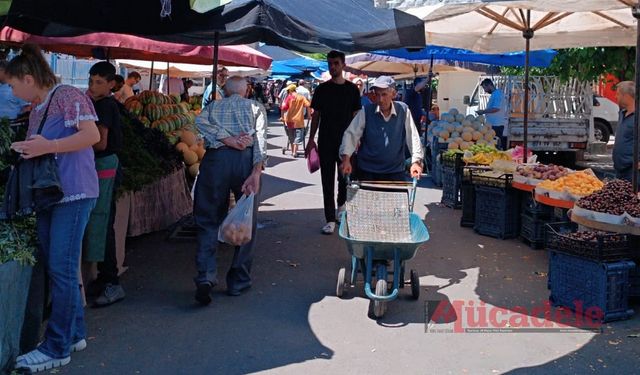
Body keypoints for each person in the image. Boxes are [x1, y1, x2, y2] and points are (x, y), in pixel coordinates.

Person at [7, 44, 100, 373]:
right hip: (52, 196)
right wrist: (26, 148)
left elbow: (91, 135)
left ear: (28, 78)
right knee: (59, 267)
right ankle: (74, 332)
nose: (11, 92)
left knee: (61, 269)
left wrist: (51, 145)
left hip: (74, 194)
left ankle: (56, 347)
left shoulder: (67, 95)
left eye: (12, 85)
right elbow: (44, 147)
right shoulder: (38, 108)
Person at [193, 76, 267, 305]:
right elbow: (261, 141)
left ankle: (206, 276)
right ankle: (238, 280)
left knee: (208, 218)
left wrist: (225, 139)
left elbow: (199, 122)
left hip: (215, 161)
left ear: (225, 91)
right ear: (245, 91)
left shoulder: (214, 106)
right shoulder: (255, 107)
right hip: (245, 162)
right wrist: (256, 173)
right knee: (246, 221)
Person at [306, 50, 361, 235]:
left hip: (347, 142)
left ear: (343, 64)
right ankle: (329, 218)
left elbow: (356, 117)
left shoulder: (352, 90)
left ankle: (341, 209)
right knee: (327, 180)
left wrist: (358, 139)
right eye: (330, 63)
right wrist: (311, 139)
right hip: (326, 141)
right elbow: (316, 116)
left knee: (344, 178)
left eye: (336, 63)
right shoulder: (322, 89)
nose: (333, 67)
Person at [84, 61, 125, 307]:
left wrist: (73, 142)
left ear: (111, 84)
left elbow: (99, 142)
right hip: (100, 168)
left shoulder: (106, 105)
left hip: (105, 168)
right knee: (100, 222)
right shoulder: (96, 103)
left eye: (99, 82)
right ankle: (103, 277)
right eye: (91, 81)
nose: (93, 86)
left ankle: (112, 283)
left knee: (102, 222)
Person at [340, 76, 423, 181]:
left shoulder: (403, 110)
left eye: (384, 94)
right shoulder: (367, 111)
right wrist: (346, 159)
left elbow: (413, 137)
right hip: (367, 170)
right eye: (377, 95)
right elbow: (351, 134)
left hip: (395, 171)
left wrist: (416, 162)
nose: (380, 99)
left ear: (393, 94)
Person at [612, 81, 639, 182]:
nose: (615, 96)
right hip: (620, 170)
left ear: (626, 96)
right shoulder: (622, 113)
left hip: (633, 172)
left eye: (618, 94)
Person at [476, 78, 508, 149]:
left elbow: (496, 108)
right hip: (492, 124)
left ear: (490, 85)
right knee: (492, 146)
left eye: (485, 88)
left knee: (496, 145)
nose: (485, 91)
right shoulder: (495, 94)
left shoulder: (497, 95)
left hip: (496, 125)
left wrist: (483, 111)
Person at [281, 84, 311, 157]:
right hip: (298, 120)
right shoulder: (301, 97)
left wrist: (282, 117)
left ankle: (293, 151)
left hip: (289, 120)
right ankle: (294, 151)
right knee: (298, 136)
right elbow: (308, 105)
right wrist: (309, 115)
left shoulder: (288, 98)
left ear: (290, 90)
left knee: (291, 136)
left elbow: (283, 108)